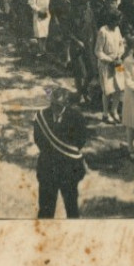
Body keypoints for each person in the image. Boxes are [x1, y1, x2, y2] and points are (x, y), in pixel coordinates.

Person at [33, 87, 87, 218]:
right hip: (47, 169)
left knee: (72, 210)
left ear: (66, 104)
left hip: (68, 171)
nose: (55, 108)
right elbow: (38, 140)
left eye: (59, 105)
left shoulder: (77, 117)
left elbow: (80, 141)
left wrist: (63, 156)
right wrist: (53, 155)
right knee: (46, 211)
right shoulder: (41, 116)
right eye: (53, 104)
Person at [95, 9, 125, 122]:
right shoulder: (103, 31)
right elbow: (98, 51)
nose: (117, 24)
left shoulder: (117, 29)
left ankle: (114, 110)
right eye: (115, 21)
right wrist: (109, 60)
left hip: (118, 63)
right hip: (106, 64)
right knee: (107, 89)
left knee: (119, 87)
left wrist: (119, 56)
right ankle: (105, 113)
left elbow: (121, 45)